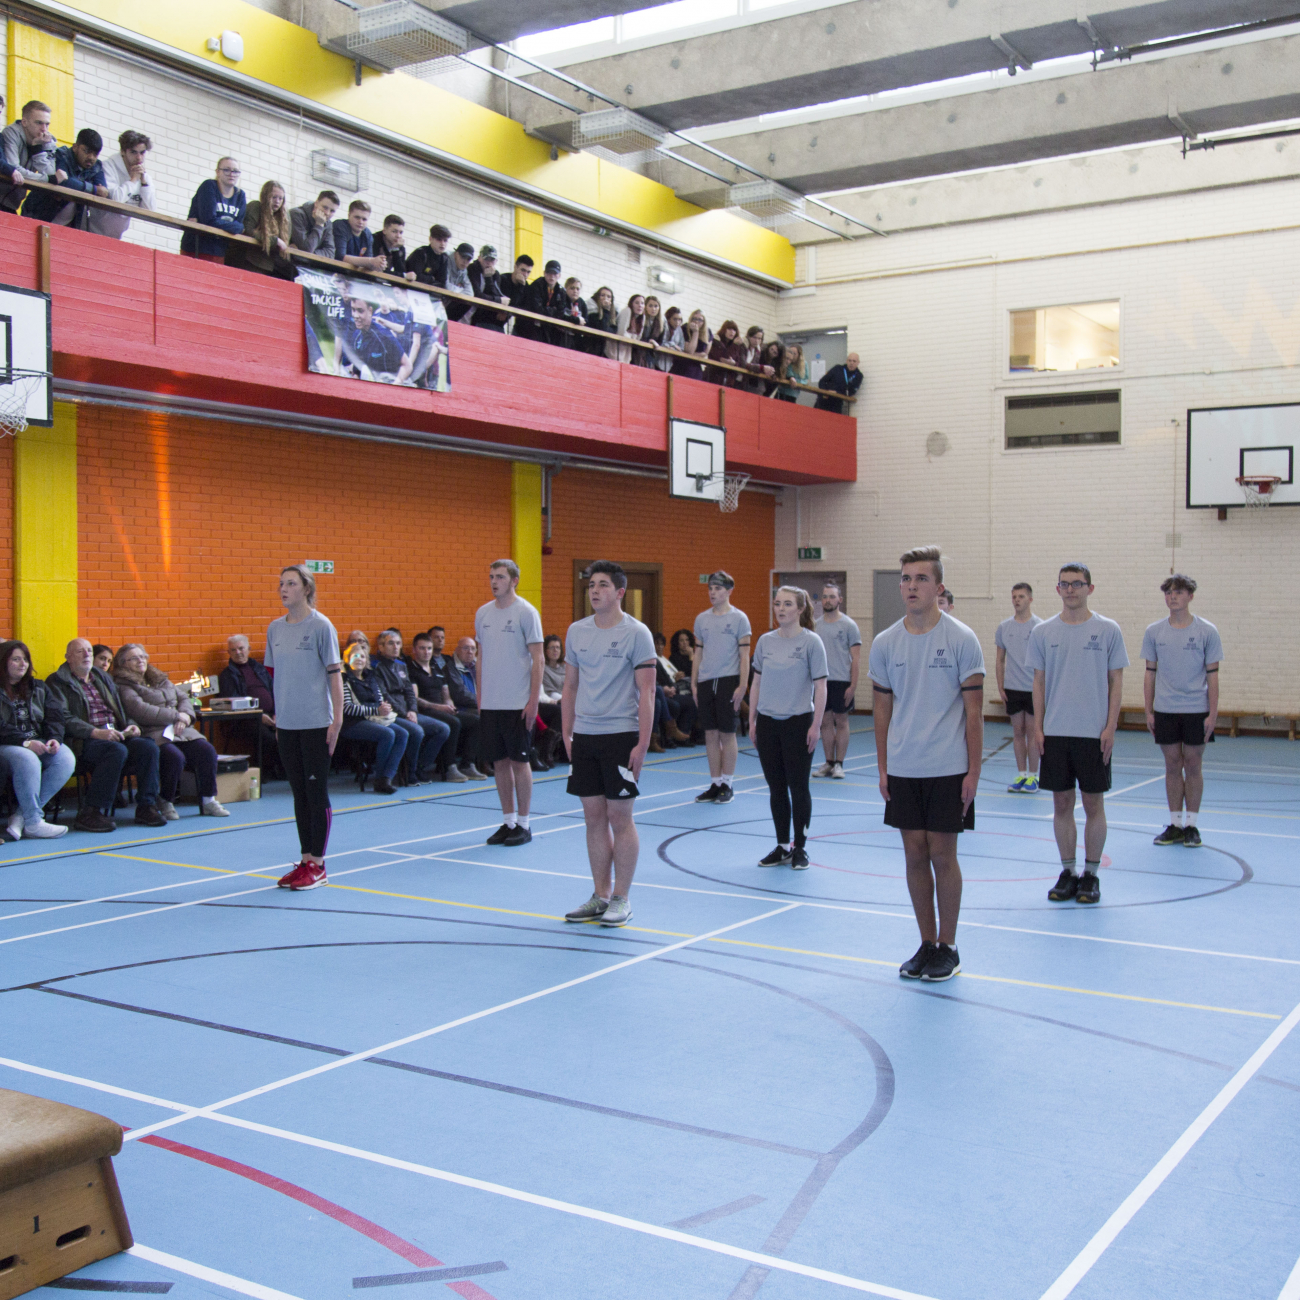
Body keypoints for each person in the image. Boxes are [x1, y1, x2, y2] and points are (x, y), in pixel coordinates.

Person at [869, 545, 985, 983]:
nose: (911, 586)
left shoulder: (961, 639)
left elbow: (974, 714)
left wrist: (973, 772)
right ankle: (926, 942)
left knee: (942, 854)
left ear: (938, 587)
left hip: (948, 767)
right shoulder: (886, 643)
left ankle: (949, 947)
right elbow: (882, 711)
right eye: (905, 578)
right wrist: (883, 767)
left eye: (920, 579)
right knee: (913, 854)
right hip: (904, 766)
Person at [561, 561, 657, 928]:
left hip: (622, 736)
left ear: (619, 592)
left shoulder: (637, 633)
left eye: (602, 585)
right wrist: (568, 733)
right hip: (585, 736)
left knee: (620, 817)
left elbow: (646, 692)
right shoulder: (576, 631)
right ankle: (599, 895)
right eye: (591, 585)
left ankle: (622, 898)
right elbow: (570, 685)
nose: (594, 590)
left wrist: (642, 744)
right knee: (593, 817)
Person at [1028, 562, 1128, 906]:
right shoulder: (1043, 632)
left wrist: (1110, 726)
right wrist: (1038, 727)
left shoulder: (1108, 630)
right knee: (1061, 803)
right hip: (1055, 733)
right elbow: (1038, 682)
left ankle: (1091, 874)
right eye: (1065, 584)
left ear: (1090, 588)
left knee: (1093, 803)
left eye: (1077, 584)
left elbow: (1116, 682)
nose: (1071, 589)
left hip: (1093, 734)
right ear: (1057, 589)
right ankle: (1068, 871)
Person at [264, 564, 344, 890]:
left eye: (291, 583)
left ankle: (319, 865)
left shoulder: (321, 626)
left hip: (316, 723)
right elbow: (275, 676)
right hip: (288, 724)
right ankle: (305, 860)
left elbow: (334, 675)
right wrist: (279, 717)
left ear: (306, 589)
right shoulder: (274, 629)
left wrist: (336, 720)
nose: (284, 589)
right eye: (281, 583)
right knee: (299, 794)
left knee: (316, 792)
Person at [50, 638, 166, 832]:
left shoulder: (102, 677)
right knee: (115, 751)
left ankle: (146, 806)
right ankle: (91, 811)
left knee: (148, 746)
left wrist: (131, 725)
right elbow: (63, 717)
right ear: (68, 657)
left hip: (114, 733)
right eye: (80, 652)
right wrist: (95, 732)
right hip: (83, 739)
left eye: (89, 651)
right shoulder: (57, 681)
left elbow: (120, 708)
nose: (87, 655)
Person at [750, 587, 828, 868]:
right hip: (768, 724)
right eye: (777, 604)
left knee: (799, 786)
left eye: (787, 604)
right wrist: (752, 720)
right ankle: (782, 845)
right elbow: (756, 682)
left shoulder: (811, 643)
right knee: (776, 788)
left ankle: (800, 848)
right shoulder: (765, 641)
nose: (780, 609)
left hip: (798, 723)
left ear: (799, 609)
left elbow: (821, 687)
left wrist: (816, 725)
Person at [1142, 574, 1222, 849]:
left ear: (1190, 596)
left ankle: (1192, 825)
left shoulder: (1206, 631)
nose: (1172, 596)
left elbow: (1213, 676)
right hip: (1165, 709)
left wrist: (1212, 713)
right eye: (1168, 592)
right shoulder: (1154, 632)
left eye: (1178, 592)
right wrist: (1149, 710)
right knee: (1172, 765)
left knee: (1193, 764)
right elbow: (1149, 673)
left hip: (1196, 710)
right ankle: (1175, 824)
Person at [113, 645, 227, 821]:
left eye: (143, 656)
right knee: (175, 757)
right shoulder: (123, 685)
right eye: (134, 658)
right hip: (154, 733)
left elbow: (183, 698)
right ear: (122, 663)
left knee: (207, 751)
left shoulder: (159, 678)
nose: (140, 660)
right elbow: (140, 710)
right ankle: (166, 800)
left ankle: (208, 800)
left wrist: (186, 717)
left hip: (181, 730)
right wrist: (175, 716)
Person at [475, 559, 544, 845]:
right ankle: (508, 821)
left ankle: (525, 825)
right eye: (491, 576)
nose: (494, 582)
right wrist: (480, 697)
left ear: (514, 580)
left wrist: (533, 701)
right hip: (491, 702)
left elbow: (538, 658)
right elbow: (481, 659)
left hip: (517, 702)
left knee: (519, 761)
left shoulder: (526, 613)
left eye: (500, 577)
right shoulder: (482, 614)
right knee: (499, 763)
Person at [0, 640, 73, 840]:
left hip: (38, 740)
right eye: (16, 659)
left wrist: (54, 738)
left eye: (25, 659)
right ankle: (33, 821)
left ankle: (21, 817)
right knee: (27, 758)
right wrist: (25, 742)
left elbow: (55, 717)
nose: (23, 664)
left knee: (65, 758)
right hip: (7, 744)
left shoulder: (38, 687)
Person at [692, 571, 751, 804]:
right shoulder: (702, 619)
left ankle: (728, 783)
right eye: (710, 588)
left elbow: (744, 655)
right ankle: (715, 784)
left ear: (729, 591)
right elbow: (698, 652)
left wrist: (743, 685)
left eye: (717, 588)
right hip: (706, 682)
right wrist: (694, 682)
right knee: (710, 734)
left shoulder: (739, 618)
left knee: (727, 733)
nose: (713, 593)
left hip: (729, 681)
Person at [371, 629, 449, 782]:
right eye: (391, 643)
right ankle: (411, 772)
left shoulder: (401, 666)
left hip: (408, 711)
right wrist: (405, 713)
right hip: (392, 713)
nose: (395, 647)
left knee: (443, 729)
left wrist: (412, 710)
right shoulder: (376, 667)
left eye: (398, 643)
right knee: (417, 731)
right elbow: (384, 695)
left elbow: (410, 693)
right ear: (380, 647)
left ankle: (421, 766)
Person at [339, 640, 407, 795]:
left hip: (374, 718)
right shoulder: (344, 679)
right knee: (387, 734)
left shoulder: (371, 677)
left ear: (366, 660)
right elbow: (347, 707)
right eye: (355, 656)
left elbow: (379, 699)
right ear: (347, 659)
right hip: (352, 722)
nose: (359, 659)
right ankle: (380, 778)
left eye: (362, 656)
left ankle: (387, 776)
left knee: (403, 733)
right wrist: (377, 710)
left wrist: (384, 708)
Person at [995, 582, 1042, 793]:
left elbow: (1045, 662)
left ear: (1030, 600)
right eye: (1014, 596)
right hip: (1012, 688)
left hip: (1033, 688)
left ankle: (1033, 776)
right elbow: (1000, 660)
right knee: (1017, 732)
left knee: (1032, 732)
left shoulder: (1039, 627)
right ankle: (1021, 774)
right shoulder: (1004, 627)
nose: (1017, 600)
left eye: (1021, 596)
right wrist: (1001, 685)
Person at [813, 582, 861, 780]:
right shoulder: (815, 625)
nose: (828, 600)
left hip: (842, 681)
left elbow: (856, 658)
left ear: (839, 600)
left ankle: (839, 763)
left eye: (832, 596)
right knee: (824, 722)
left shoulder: (849, 625)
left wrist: (853, 685)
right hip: (822, 681)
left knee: (841, 721)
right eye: (825, 596)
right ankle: (829, 762)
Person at [405, 632, 468, 781]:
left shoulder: (437, 668)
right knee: (453, 723)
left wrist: (450, 706)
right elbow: (415, 698)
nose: (426, 652)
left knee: (475, 721)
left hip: (442, 709)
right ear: (414, 650)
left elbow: (445, 694)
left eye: (429, 648)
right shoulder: (411, 669)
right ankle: (448, 767)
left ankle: (468, 764)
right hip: (425, 709)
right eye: (422, 648)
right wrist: (440, 708)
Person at [217, 634, 281, 777]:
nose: (238, 652)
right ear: (229, 653)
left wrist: (277, 714)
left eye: (241, 648)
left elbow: (275, 691)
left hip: (271, 715)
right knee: (268, 738)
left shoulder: (260, 669)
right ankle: (263, 773)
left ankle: (283, 770)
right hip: (244, 719)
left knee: (291, 732)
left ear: (249, 649)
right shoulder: (227, 675)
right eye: (233, 650)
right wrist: (259, 715)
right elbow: (234, 702)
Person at [21, 128, 106, 228]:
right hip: (37, 215)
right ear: (75, 147)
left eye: (95, 154)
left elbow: (103, 192)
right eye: (87, 151)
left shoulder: (96, 166)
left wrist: (92, 189)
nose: (91, 158)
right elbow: (62, 181)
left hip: (66, 225)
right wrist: (93, 189)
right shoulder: (62, 155)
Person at [87, 129, 157, 239]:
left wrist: (144, 183)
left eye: (142, 152)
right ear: (123, 151)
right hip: (92, 231)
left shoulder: (144, 176)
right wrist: (133, 181)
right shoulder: (108, 167)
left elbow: (150, 210)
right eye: (133, 152)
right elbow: (116, 199)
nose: (139, 158)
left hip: (116, 236)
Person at [180, 157, 246, 262]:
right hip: (196, 247)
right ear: (218, 172)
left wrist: (234, 226)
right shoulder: (209, 186)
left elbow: (240, 226)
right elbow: (208, 220)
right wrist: (234, 227)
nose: (231, 174)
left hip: (220, 250)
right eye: (226, 170)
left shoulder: (240, 195)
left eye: (235, 171)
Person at [1, 100, 56, 215]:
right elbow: (14, 168)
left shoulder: (48, 140)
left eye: (47, 124)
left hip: (12, 205)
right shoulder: (11, 133)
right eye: (39, 123)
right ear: (24, 122)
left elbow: (51, 174)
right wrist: (46, 179)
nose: (44, 129)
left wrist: (37, 149)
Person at [232, 180, 295, 279]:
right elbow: (247, 231)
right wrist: (276, 241)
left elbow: (285, 242)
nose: (277, 201)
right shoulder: (255, 207)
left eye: (280, 198)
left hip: (269, 266)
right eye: (274, 197)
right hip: (247, 261)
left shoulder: (284, 218)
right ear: (266, 196)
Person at [341, 298, 412, 383]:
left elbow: (407, 366)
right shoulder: (356, 335)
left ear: (370, 311)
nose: (356, 315)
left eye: (360, 311)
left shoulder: (383, 335)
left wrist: (394, 385)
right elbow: (357, 370)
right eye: (353, 310)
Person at [653, 631, 695, 745]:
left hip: (673, 688)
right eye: (657, 644)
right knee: (679, 704)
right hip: (666, 691)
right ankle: (672, 733)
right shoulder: (655, 659)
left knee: (693, 701)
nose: (660, 647)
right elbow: (662, 679)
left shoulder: (664, 659)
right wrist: (671, 686)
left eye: (662, 644)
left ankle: (685, 734)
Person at [517, 260, 567, 344]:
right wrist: (553, 310)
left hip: (547, 330)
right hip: (530, 327)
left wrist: (547, 310)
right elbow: (537, 308)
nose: (552, 276)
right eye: (549, 273)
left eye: (555, 274)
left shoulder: (561, 291)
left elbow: (560, 313)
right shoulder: (536, 285)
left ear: (559, 276)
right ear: (544, 273)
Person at [537, 633, 569, 765]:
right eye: (552, 647)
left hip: (564, 700)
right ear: (545, 650)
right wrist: (565, 699)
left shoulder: (565, 667)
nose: (555, 650)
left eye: (558, 647)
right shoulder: (543, 668)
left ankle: (569, 750)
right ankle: (551, 749)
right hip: (548, 701)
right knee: (561, 710)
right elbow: (549, 692)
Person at [332, 200, 387, 273]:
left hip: (352, 275)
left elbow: (368, 262)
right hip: (333, 271)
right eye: (357, 217)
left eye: (364, 219)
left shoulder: (368, 234)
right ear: (349, 215)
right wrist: (371, 261)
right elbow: (340, 257)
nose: (360, 222)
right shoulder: (340, 226)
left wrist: (379, 264)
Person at [289, 189, 338, 258]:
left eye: (332, 211)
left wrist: (312, 253)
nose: (327, 213)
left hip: (309, 265)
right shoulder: (297, 214)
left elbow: (330, 253)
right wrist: (319, 225)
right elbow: (307, 249)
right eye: (325, 207)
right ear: (316, 203)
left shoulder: (328, 223)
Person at [468, 246, 507, 331]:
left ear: (496, 261)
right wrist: (499, 300)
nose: (489, 263)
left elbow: (495, 294)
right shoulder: (473, 269)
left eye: (492, 260)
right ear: (479, 258)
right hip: (468, 311)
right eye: (486, 259)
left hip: (482, 315)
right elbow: (477, 295)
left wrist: (489, 278)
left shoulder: (495, 274)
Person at [407, 223, 452, 288]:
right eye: (439, 239)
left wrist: (428, 279)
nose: (442, 244)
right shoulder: (421, 253)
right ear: (430, 239)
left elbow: (442, 283)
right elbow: (415, 276)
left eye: (445, 241)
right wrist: (432, 279)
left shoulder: (444, 258)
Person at [672, 310, 710, 380]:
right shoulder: (685, 327)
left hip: (696, 366)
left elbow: (705, 353)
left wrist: (691, 354)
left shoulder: (708, 332)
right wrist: (695, 332)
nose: (696, 321)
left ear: (704, 322)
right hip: (682, 364)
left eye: (700, 320)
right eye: (694, 319)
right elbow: (689, 351)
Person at [443, 242, 476, 320]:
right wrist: (460, 289)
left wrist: (454, 289)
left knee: (467, 303)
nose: (465, 261)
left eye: (468, 259)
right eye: (463, 257)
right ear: (455, 254)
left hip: (446, 303)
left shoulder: (463, 270)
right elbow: (445, 286)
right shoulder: (445, 259)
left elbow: (470, 294)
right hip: (434, 301)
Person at [611, 294, 645, 363]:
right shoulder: (627, 311)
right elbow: (621, 332)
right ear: (631, 304)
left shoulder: (642, 317)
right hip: (615, 349)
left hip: (626, 351)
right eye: (636, 303)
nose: (640, 305)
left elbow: (638, 337)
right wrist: (632, 337)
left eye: (642, 303)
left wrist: (632, 337)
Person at [379, 215, 414, 280]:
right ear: (384, 230)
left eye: (401, 232)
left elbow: (400, 271)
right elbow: (379, 270)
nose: (398, 236)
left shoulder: (400, 248)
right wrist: (403, 275)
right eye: (394, 231)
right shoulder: (374, 241)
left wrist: (395, 250)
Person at [585, 286, 618, 356]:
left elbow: (613, 330)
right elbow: (602, 327)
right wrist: (605, 310)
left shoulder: (613, 314)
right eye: (602, 295)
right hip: (590, 347)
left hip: (604, 350)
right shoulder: (592, 311)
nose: (605, 298)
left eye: (609, 297)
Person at [634, 296, 665, 367]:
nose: (653, 309)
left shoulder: (661, 323)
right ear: (645, 306)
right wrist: (650, 341)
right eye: (650, 306)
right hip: (637, 353)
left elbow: (660, 341)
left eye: (656, 306)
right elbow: (638, 337)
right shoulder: (641, 319)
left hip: (651, 357)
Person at [559, 277, 589, 349]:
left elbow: (586, 320)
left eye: (577, 289)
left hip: (575, 339)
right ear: (566, 288)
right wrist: (576, 320)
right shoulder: (562, 299)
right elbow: (559, 315)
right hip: (560, 337)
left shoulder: (582, 303)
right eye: (572, 288)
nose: (575, 291)